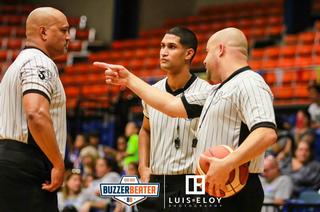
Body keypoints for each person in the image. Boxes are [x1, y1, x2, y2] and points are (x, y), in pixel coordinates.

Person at [95, 27, 277, 211]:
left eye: (207, 52)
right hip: (212, 184)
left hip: (235, 185)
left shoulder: (249, 81)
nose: (204, 60)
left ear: (220, 50)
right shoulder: (217, 91)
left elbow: (266, 133)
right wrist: (129, 79)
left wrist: (227, 163)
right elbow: (172, 106)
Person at [0, 7, 69, 212]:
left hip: (8, 160)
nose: (68, 37)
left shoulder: (15, 65)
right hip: (27, 164)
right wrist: (57, 163)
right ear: (43, 32)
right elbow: (36, 113)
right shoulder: (40, 62)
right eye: (63, 30)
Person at [137, 26, 211, 211]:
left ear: (188, 53)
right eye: (162, 46)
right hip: (156, 181)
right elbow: (145, 130)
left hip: (192, 182)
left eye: (171, 47)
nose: (163, 52)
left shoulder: (208, 93)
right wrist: (143, 166)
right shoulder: (151, 92)